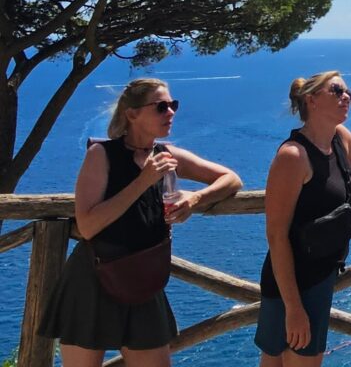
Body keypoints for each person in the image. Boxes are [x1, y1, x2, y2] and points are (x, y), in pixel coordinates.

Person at [39, 78, 243, 367]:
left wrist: (196, 199)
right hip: (95, 276)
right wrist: (143, 181)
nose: (170, 113)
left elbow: (232, 179)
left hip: (144, 280)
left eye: (173, 105)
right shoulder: (102, 154)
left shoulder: (167, 156)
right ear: (132, 114)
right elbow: (87, 226)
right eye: (161, 107)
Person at [256, 71, 351, 367]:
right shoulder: (293, 156)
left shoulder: (339, 138)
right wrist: (294, 308)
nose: (347, 97)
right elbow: (276, 236)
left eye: (349, 92)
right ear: (311, 100)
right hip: (294, 283)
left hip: (321, 274)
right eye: (337, 90)